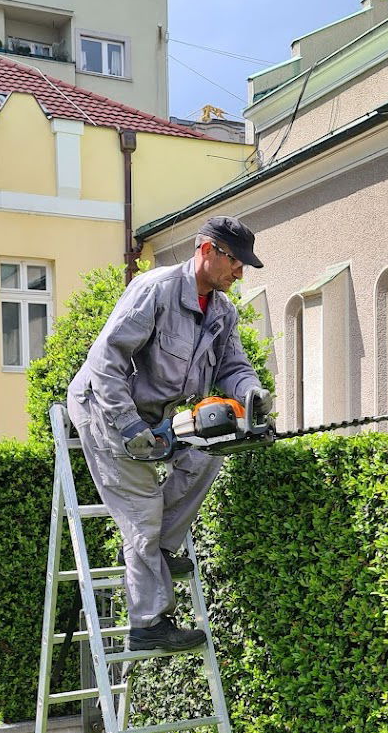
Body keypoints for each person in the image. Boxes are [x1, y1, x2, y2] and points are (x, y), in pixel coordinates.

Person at [67, 215, 273, 651]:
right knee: (142, 513)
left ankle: (159, 550)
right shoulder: (155, 289)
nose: (240, 272)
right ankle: (148, 625)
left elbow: (232, 367)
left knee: (209, 451)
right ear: (207, 250)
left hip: (158, 414)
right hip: (104, 407)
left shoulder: (221, 311)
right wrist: (127, 425)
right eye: (235, 262)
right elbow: (108, 361)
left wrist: (252, 393)